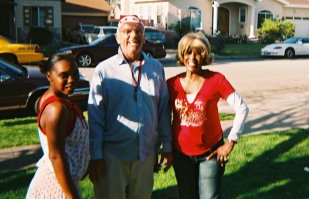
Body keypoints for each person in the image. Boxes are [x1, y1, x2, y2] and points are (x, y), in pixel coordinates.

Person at [88, 14, 172, 199]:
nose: (133, 36)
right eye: (127, 31)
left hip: (145, 156)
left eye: (138, 31)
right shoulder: (104, 70)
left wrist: (167, 145)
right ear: (118, 38)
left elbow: (163, 110)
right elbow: (95, 117)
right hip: (112, 158)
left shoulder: (156, 68)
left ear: (144, 36)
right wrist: (95, 156)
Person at [167, 32, 249, 199]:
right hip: (181, 156)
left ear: (205, 56)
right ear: (182, 54)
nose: (193, 57)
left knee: (209, 197)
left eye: (199, 53)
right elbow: (162, 119)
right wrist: (165, 148)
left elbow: (242, 108)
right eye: (189, 52)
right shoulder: (171, 84)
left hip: (210, 154)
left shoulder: (216, 80)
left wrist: (230, 142)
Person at [26, 54, 89, 199]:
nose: (71, 80)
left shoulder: (60, 100)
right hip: (56, 188)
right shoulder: (56, 109)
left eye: (75, 73)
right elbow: (55, 156)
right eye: (64, 75)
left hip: (64, 185)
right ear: (49, 76)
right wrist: (71, 195)